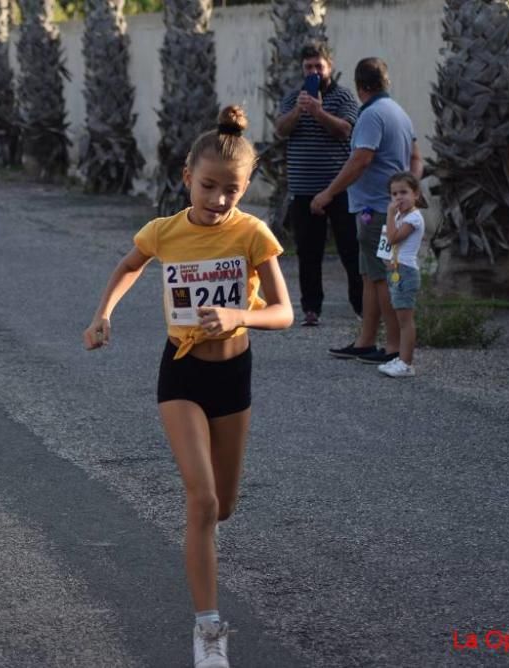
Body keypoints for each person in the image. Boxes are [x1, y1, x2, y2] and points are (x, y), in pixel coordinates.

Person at [83, 106, 293, 668]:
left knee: (222, 506)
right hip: (181, 371)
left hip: (233, 373)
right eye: (208, 186)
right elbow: (130, 264)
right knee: (199, 499)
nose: (219, 200)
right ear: (186, 178)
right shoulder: (164, 231)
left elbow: (284, 312)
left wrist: (239, 317)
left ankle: (204, 550)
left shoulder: (253, 234)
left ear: (246, 189)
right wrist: (104, 313)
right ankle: (208, 630)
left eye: (232, 190)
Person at [311, 57, 423, 363]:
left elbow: (361, 158)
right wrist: (411, 191)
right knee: (369, 276)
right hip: (376, 210)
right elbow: (417, 158)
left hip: (377, 211)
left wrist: (328, 193)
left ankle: (393, 346)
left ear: (360, 87)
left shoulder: (372, 115)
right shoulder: (398, 111)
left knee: (381, 277)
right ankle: (366, 340)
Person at [274, 42, 362, 327]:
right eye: (308, 67)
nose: (314, 71)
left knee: (350, 249)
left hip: (338, 189)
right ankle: (311, 308)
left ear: (330, 66)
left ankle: (361, 306)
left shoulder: (344, 96)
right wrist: (300, 112)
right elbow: (280, 130)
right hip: (303, 189)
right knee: (308, 252)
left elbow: (346, 130)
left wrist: (320, 112)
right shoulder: (293, 98)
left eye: (318, 66)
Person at [376, 171, 425, 378]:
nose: (398, 198)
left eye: (404, 192)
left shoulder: (413, 218)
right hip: (396, 270)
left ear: (416, 194)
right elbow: (386, 244)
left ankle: (406, 362)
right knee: (398, 318)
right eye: (394, 194)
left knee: (405, 321)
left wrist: (389, 215)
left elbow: (394, 237)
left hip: (406, 271)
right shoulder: (400, 215)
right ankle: (401, 358)